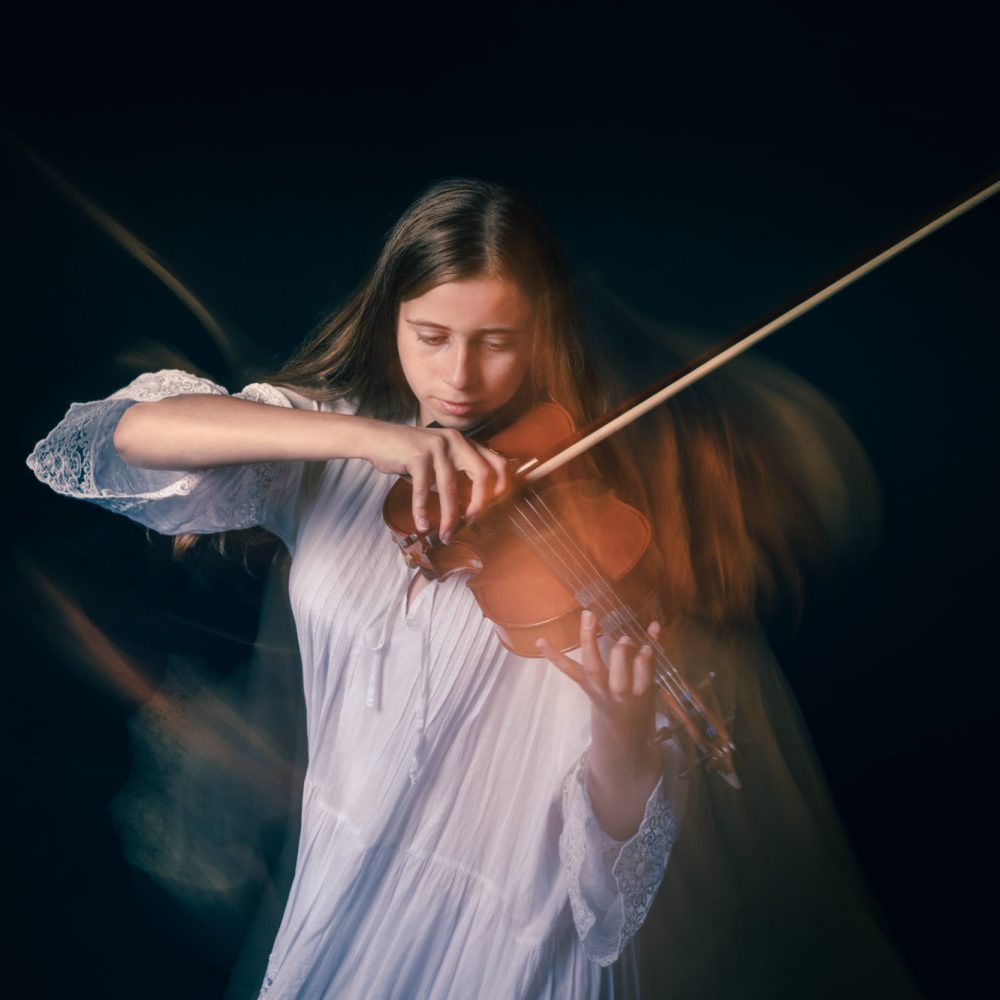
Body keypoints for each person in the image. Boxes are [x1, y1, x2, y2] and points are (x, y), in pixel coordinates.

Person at [27, 179, 691, 999]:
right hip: (340, 890)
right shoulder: (326, 451)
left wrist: (625, 730)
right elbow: (111, 438)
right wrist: (370, 437)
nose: (460, 376)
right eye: (432, 335)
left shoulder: (586, 517)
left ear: (541, 335)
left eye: (497, 341)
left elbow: (607, 885)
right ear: (392, 319)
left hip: (499, 947)